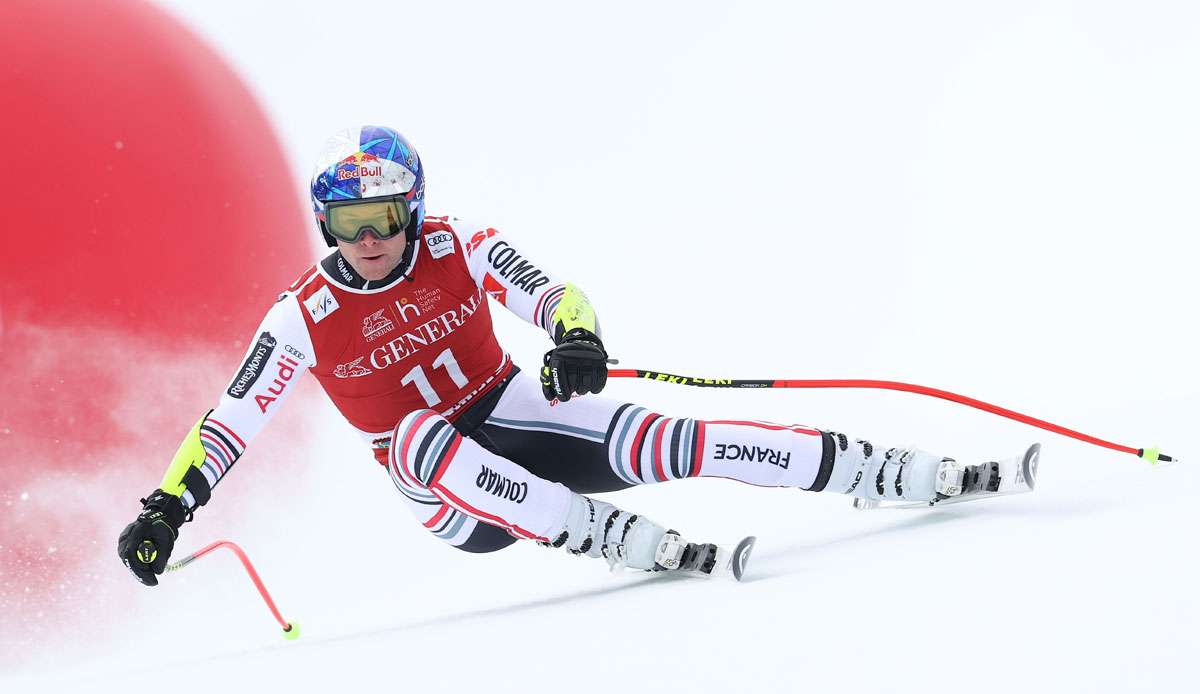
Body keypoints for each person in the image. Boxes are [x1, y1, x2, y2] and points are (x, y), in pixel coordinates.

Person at [118, 125, 1022, 586]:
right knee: (418, 438)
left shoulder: (454, 245)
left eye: (385, 218)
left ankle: (893, 470)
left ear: (415, 207)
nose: (370, 242)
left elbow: (550, 293)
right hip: (451, 495)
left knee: (676, 439)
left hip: (516, 413)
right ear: (326, 225)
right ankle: (602, 537)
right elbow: (228, 422)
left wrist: (577, 340)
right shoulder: (301, 317)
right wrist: (167, 506)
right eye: (349, 225)